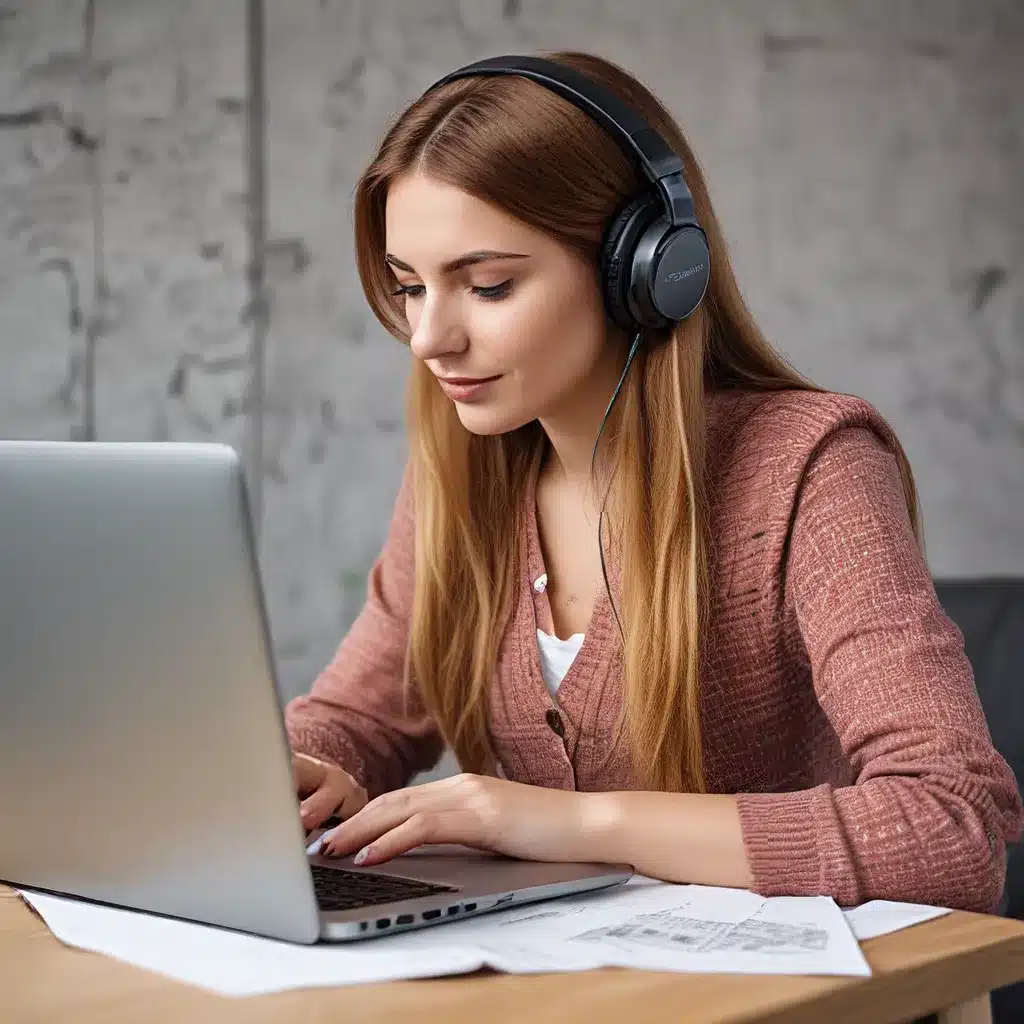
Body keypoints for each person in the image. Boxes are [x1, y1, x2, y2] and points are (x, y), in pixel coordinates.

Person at [284, 50, 1022, 911]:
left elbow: (949, 830)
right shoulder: (461, 469)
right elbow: (359, 722)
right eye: (410, 287)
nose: (428, 338)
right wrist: (291, 772)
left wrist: (582, 825)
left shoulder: (809, 468)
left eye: (487, 286)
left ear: (644, 271)